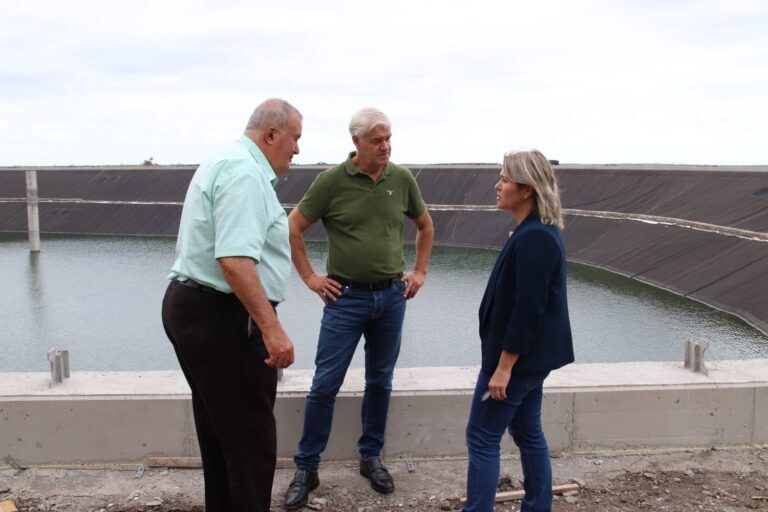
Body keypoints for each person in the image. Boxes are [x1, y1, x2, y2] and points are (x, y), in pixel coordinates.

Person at [283, 107, 434, 510]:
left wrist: (420, 271)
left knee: (380, 381)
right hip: (345, 299)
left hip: (392, 297)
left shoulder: (401, 179)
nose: (385, 147)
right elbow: (294, 226)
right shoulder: (331, 182)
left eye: (389, 139)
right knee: (325, 384)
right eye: (377, 141)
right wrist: (310, 277)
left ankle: (371, 457)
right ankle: (307, 468)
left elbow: (425, 225)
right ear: (357, 142)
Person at [161, 98, 302, 512]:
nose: (297, 149)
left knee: (223, 437)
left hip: (199, 309)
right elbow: (235, 261)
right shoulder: (244, 173)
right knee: (250, 443)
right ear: (271, 134)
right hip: (223, 317)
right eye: (295, 137)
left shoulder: (226, 161)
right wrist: (272, 329)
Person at [463, 150, 574, 512]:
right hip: (529, 360)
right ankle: (538, 506)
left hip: (516, 363)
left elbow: (529, 310)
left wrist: (504, 368)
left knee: (481, 436)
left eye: (505, 179)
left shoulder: (535, 237)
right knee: (527, 431)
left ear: (526, 189)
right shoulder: (534, 230)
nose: (497, 185)